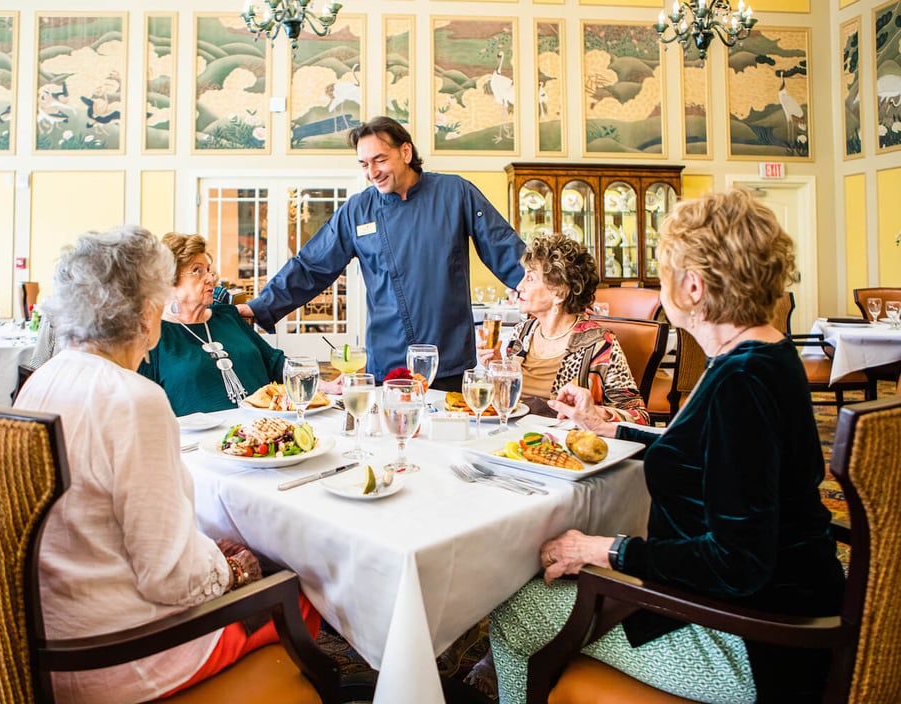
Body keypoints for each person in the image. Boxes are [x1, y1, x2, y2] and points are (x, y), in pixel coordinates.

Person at [479, 189, 845, 703]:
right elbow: (708, 449)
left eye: (663, 268)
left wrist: (600, 549)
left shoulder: (741, 383)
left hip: (753, 644)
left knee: (516, 610)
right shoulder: (766, 353)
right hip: (782, 602)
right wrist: (610, 427)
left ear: (693, 286)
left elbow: (736, 562)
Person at [13, 226, 320, 704]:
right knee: (304, 592)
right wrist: (237, 567)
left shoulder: (43, 380)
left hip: (51, 636)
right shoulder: (135, 398)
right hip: (122, 656)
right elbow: (172, 578)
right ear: (148, 310)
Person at [236, 116, 526, 390]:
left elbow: (502, 246)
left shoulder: (455, 193)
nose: (372, 173)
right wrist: (261, 306)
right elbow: (311, 266)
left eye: (380, 160)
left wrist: (546, 294)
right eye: (364, 164)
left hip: (448, 357)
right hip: (388, 359)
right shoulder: (357, 210)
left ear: (406, 152)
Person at [140, 232, 322, 414]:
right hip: (199, 439)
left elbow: (275, 363)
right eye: (197, 271)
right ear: (169, 280)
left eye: (209, 270)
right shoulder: (154, 335)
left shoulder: (228, 317)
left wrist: (323, 386)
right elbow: (142, 406)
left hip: (263, 430)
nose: (210, 278)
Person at [476, 233, 649, 425]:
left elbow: (639, 417)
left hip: (561, 446)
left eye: (531, 278)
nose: (519, 286)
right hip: (512, 441)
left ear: (560, 292)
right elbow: (509, 404)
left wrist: (595, 413)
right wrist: (498, 368)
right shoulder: (522, 333)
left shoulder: (598, 344)